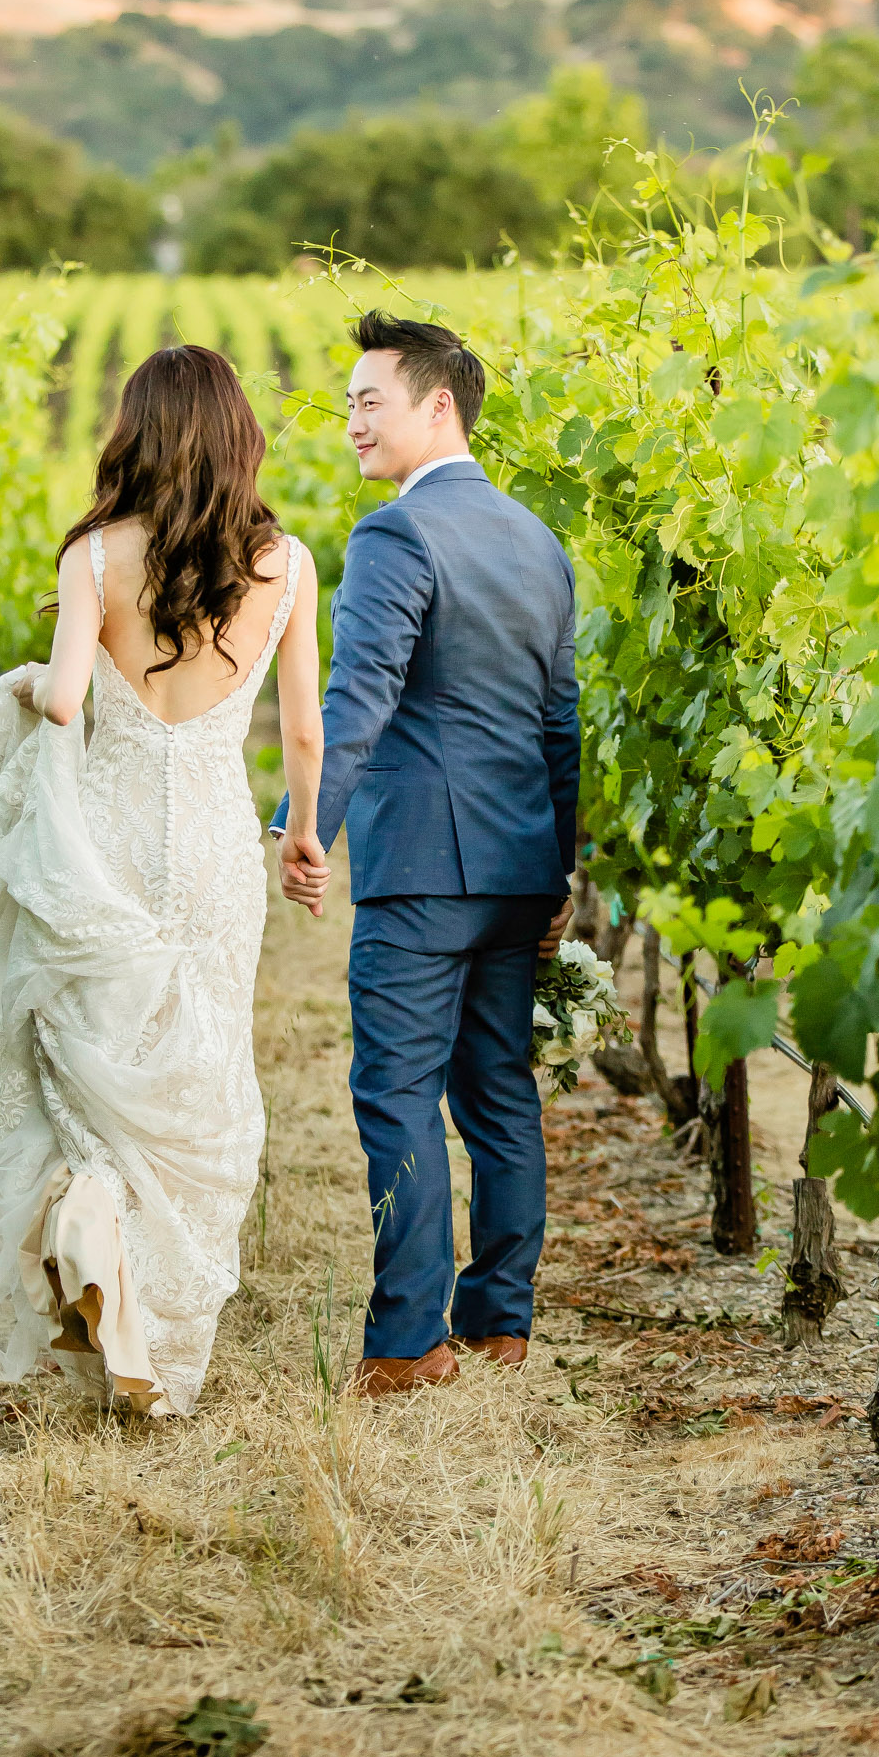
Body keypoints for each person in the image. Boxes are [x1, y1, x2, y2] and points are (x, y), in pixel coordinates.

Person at [0, 345, 322, 1418]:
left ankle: (89, 1231)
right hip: (210, 845)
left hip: (103, 839)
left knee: (94, 1068)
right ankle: (153, 1341)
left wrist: (19, 686)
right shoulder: (284, 567)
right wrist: (301, 834)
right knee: (198, 1079)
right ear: (237, 438)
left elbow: (62, 702)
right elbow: (301, 725)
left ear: (134, 433)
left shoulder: (96, 557)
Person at [277, 310, 578, 1397]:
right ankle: (500, 1324)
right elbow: (560, 722)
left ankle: (407, 1343)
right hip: (517, 866)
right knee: (497, 1094)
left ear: (436, 404)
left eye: (370, 401)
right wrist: (562, 866)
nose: (351, 421)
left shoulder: (394, 537)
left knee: (395, 1093)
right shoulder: (535, 540)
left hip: (421, 870)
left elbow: (356, 697)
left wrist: (305, 819)